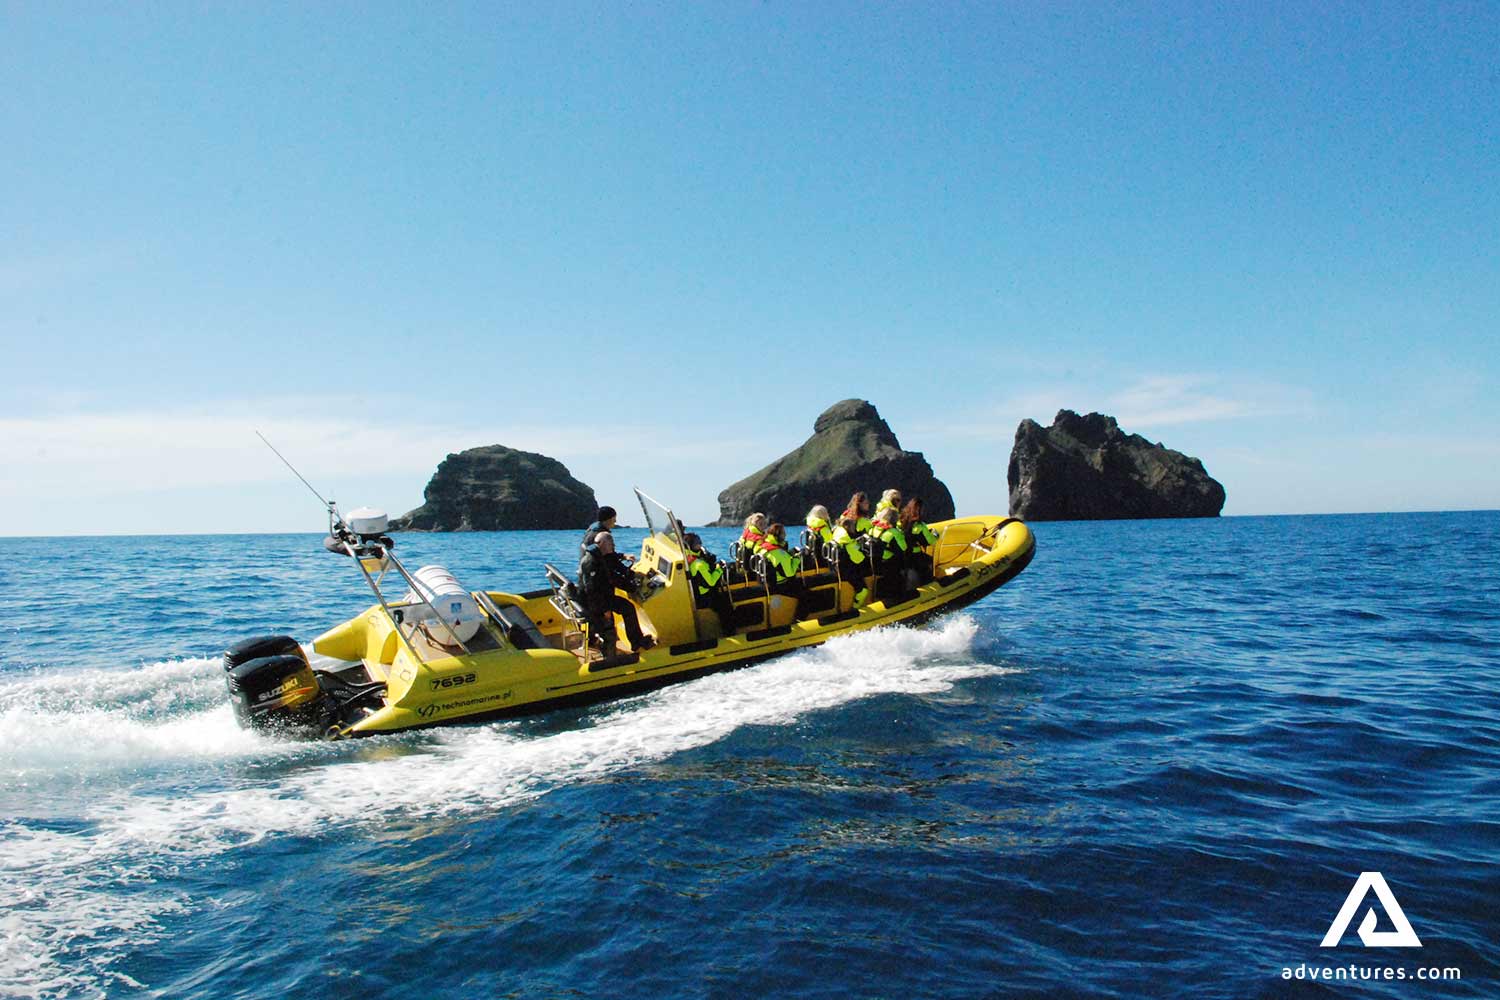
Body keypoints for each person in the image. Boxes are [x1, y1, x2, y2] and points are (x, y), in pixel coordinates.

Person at [578, 506, 654, 656]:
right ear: (610, 519)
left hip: (591, 591)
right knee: (627, 608)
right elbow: (607, 575)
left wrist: (623, 560)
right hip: (596, 597)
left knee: (618, 604)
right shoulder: (598, 555)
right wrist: (630, 584)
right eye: (614, 518)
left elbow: (610, 561)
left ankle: (592, 638)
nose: (615, 521)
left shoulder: (594, 543)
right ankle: (636, 642)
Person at [684, 532, 735, 636]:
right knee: (725, 604)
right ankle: (729, 631)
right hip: (704, 597)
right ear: (691, 546)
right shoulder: (699, 564)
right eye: (698, 543)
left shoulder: (687, 557)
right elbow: (711, 582)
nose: (701, 544)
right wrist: (719, 569)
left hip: (696, 593)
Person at [870, 497, 909, 601]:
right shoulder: (894, 532)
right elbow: (904, 547)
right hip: (888, 562)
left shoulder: (874, 528)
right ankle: (899, 596)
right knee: (901, 569)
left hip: (875, 561)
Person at [831, 515, 871, 608]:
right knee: (863, 590)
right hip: (847, 572)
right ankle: (855, 608)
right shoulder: (848, 544)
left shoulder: (838, 535)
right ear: (848, 527)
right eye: (853, 527)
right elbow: (859, 559)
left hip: (838, 568)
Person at [900, 497, 938, 584]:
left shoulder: (900, 520)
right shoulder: (920, 526)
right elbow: (930, 541)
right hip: (914, 555)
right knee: (929, 560)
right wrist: (935, 535)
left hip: (902, 555)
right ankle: (928, 582)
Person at [759, 522, 802, 592]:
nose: (785, 535)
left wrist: (789, 554)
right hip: (781, 584)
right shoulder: (778, 553)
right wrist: (797, 559)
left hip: (768, 583)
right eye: (783, 533)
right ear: (778, 535)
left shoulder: (764, 547)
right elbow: (790, 573)